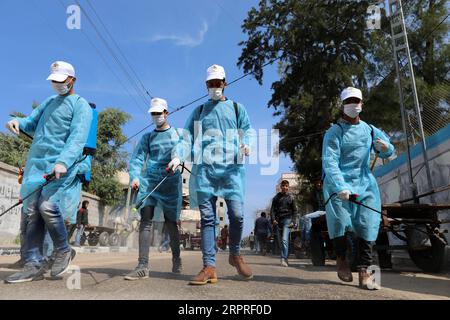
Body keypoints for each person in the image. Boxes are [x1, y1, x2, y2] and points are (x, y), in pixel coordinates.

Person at [5, 61, 93, 283]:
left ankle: (63, 249)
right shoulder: (49, 102)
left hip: (61, 165)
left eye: (60, 81)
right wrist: (19, 122)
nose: (56, 84)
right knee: (32, 211)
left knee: (46, 205)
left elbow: (78, 136)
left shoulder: (80, 105)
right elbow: (31, 122)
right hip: (36, 164)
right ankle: (32, 264)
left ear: (72, 80)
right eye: (54, 81)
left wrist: (63, 161)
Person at [184, 64, 254, 285]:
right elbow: (187, 135)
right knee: (208, 219)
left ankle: (235, 254)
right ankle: (209, 266)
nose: (214, 87)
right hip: (205, 171)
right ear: (206, 85)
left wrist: (247, 144)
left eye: (218, 83)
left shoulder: (236, 108)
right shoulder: (200, 111)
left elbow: (248, 129)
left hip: (232, 170)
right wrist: (179, 155)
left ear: (225, 83)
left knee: (237, 214)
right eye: (210, 84)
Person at [322, 87, 394, 290]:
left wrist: (385, 148)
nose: (354, 104)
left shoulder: (370, 129)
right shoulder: (334, 132)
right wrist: (340, 186)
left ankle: (364, 270)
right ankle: (341, 259)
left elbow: (389, 148)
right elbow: (330, 162)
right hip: (338, 182)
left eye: (357, 100)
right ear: (343, 105)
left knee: (368, 223)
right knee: (340, 222)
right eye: (349, 101)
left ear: (362, 104)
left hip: (364, 182)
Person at [124, 98, 184, 280]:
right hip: (150, 181)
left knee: (171, 223)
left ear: (167, 113)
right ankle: (143, 265)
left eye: (160, 113)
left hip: (170, 182)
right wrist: (135, 177)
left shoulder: (177, 133)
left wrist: (176, 158)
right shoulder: (148, 137)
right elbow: (137, 158)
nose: (157, 116)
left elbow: (182, 146)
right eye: (154, 113)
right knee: (146, 220)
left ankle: (176, 258)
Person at [270, 180, 297, 267]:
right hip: (278, 221)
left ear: (288, 187)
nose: (285, 187)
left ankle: (283, 258)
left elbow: (295, 211)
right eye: (283, 186)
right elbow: (272, 210)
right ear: (281, 187)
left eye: (286, 186)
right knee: (280, 241)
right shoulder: (276, 198)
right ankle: (285, 258)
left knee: (285, 240)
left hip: (287, 220)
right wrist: (273, 219)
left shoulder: (291, 198)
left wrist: (293, 221)